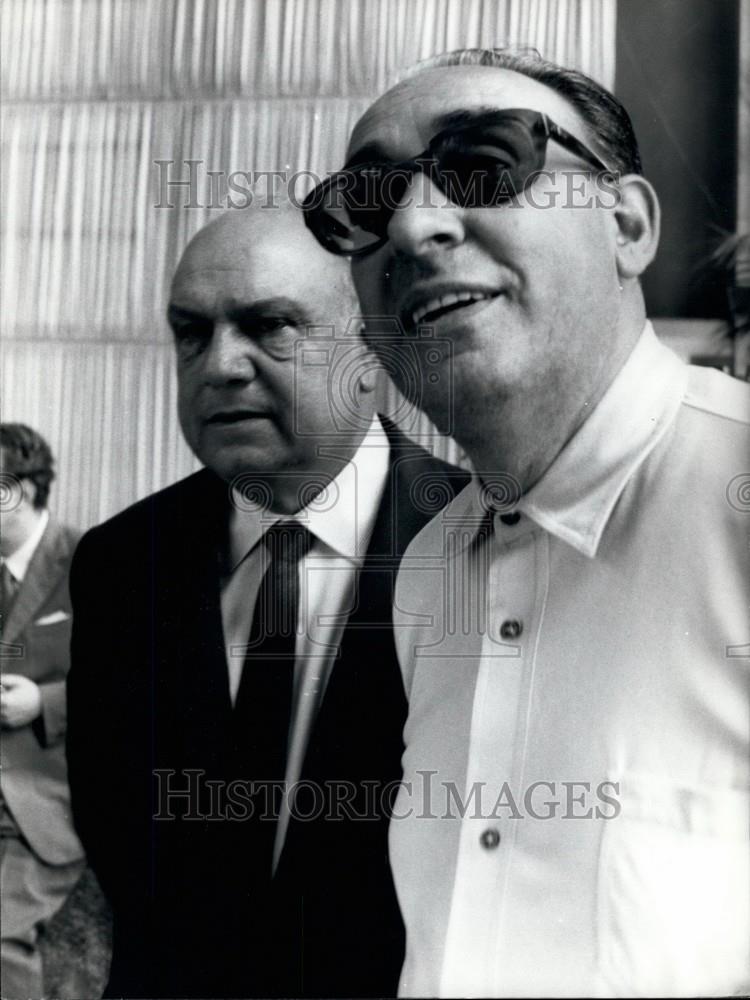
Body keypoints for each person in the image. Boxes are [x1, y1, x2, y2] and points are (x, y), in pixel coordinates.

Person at [302, 48, 750, 998]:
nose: (416, 225)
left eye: (484, 162)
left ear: (625, 226)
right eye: (371, 197)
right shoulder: (430, 568)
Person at [66, 203, 468, 998]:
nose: (219, 365)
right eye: (191, 332)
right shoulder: (122, 562)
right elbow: (123, 841)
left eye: (270, 326)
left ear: (373, 343)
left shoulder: (483, 549)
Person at [0, 424, 86, 999]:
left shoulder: (92, 562)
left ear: (22, 491)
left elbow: (138, 687)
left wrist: (43, 703)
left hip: (36, 802)